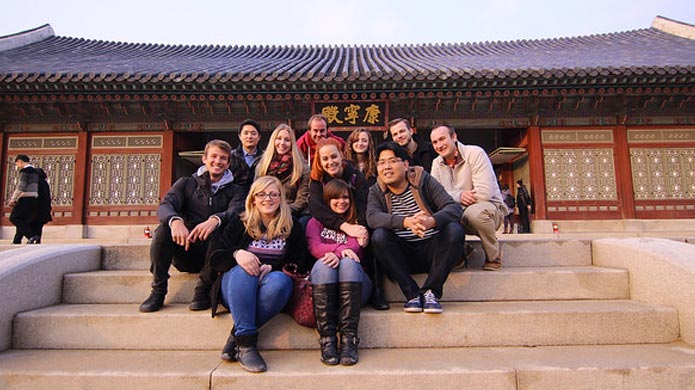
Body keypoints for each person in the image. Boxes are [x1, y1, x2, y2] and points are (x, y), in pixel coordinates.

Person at [206, 176, 309, 373]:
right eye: (261, 194)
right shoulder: (239, 222)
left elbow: (299, 261)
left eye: (273, 194)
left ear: (280, 198)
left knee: (281, 282)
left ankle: (236, 335)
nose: (267, 199)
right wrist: (238, 254)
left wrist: (274, 267)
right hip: (236, 287)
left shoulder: (292, 225)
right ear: (253, 199)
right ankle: (246, 344)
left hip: (270, 286)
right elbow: (215, 257)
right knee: (245, 270)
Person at [139, 139, 245, 313]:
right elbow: (166, 205)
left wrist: (215, 219)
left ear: (228, 163)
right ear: (204, 158)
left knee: (226, 226)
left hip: (214, 256)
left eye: (223, 158)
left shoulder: (235, 190)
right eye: (214, 156)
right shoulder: (186, 183)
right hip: (187, 248)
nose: (218, 162)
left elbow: (236, 211)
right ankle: (158, 291)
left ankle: (203, 289)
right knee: (163, 230)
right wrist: (175, 221)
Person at [367, 142, 464, 314]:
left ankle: (431, 291)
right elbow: (373, 218)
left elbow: (453, 208)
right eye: (381, 163)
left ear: (405, 164)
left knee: (455, 229)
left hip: (432, 251)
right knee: (379, 236)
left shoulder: (423, 180)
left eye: (392, 161)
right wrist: (407, 222)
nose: (386, 167)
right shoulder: (376, 190)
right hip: (402, 256)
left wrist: (429, 222)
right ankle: (411, 294)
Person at [309, 138, 389, 310]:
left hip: (354, 218)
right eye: (325, 159)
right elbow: (316, 208)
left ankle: (377, 289)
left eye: (334, 157)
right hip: (330, 222)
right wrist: (344, 227)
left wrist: (360, 228)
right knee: (305, 223)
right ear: (320, 161)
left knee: (376, 234)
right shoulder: (317, 179)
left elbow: (363, 204)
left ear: (341, 156)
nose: (330, 162)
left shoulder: (354, 175)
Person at [306, 178, 372, 366]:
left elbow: (356, 248)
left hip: (356, 285)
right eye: (335, 198)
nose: (341, 201)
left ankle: (349, 339)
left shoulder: (357, 222)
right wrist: (338, 251)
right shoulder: (315, 222)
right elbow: (314, 246)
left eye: (345, 197)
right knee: (325, 263)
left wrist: (338, 253)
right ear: (327, 200)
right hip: (326, 287)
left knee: (348, 264)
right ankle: (327, 339)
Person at [430, 125, 508, 271]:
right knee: (432, 216)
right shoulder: (436, 163)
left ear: (454, 137)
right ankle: (461, 252)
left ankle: (494, 255)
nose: (439, 145)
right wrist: (458, 196)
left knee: (474, 214)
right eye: (435, 142)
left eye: (442, 139)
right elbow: (435, 195)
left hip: (489, 208)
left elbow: (484, 193)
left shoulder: (475, 153)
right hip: (458, 209)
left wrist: (451, 201)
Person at [255, 123, 310, 217]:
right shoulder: (262, 165)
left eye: (287, 140)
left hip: (291, 213)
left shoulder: (302, 168)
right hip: (264, 211)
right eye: (279, 138)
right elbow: (256, 194)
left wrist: (280, 210)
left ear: (292, 143)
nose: (282, 143)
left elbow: (301, 200)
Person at [8, 155, 41, 244]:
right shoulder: (35, 172)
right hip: (34, 198)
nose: (18, 166)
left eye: (17, 164)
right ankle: (17, 240)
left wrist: (13, 199)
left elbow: (21, 187)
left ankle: (31, 235)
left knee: (14, 218)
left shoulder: (25, 171)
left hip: (25, 198)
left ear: (20, 161)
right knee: (23, 219)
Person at [229, 119, 264, 192]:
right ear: (240, 136)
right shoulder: (231, 156)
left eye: (253, 133)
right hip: (234, 196)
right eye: (246, 133)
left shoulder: (265, 157)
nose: (249, 136)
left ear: (259, 137)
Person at [29, 167, 53, 243]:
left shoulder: (36, 183)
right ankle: (38, 240)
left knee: (30, 224)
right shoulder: (45, 184)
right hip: (44, 209)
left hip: (36, 209)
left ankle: (32, 237)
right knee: (39, 226)